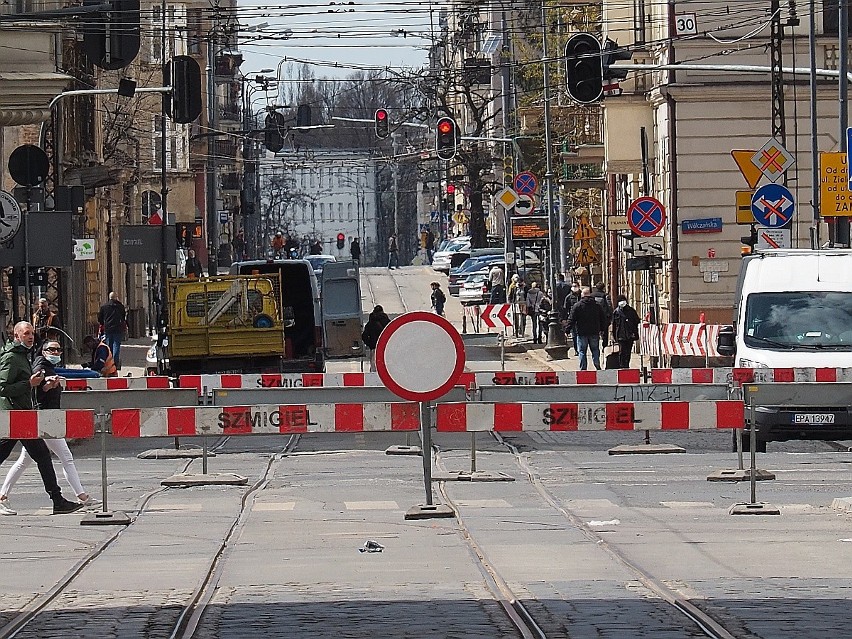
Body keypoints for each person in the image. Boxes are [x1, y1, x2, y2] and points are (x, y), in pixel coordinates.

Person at [0, 340, 96, 510]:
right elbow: (9, 388)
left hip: (30, 417)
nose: (56, 352)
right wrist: (41, 385)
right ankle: (78, 496)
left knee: (27, 460)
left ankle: (5, 495)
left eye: (58, 349)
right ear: (43, 351)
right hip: (39, 419)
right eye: (51, 349)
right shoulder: (29, 363)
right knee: (64, 456)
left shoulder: (28, 360)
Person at [567, 286, 608, 370]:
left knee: (582, 351)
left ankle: (583, 368)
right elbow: (603, 318)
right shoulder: (597, 305)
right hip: (594, 332)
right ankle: (597, 364)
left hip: (582, 332)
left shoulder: (577, 306)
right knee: (595, 350)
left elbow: (572, 318)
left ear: (582, 295)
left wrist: (567, 329)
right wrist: (603, 329)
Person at [97, 292, 126, 370]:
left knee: (109, 346)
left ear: (109, 298)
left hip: (108, 328)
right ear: (116, 297)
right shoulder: (120, 306)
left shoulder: (104, 307)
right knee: (116, 345)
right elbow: (123, 317)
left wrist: (103, 324)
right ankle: (115, 363)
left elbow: (100, 318)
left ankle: (109, 361)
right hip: (118, 328)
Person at [611, 294, 641, 369]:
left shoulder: (631, 311)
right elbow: (614, 325)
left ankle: (626, 365)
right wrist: (614, 336)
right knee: (622, 352)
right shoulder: (616, 312)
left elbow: (636, 321)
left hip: (629, 335)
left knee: (628, 352)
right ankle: (622, 366)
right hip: (620, 335)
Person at [361, 305, 390, 371]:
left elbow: (364, 336)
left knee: (374, 366)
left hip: (374, 348)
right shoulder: (387, 322)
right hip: (386, 348)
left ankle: (374, 379)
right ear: (382, 312)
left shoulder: (371, 323)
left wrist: (370, 344)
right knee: (386, 367)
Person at [591, 281, 614, 348]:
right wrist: (611, 316)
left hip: (594, 317)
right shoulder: (606, 296)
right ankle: (604, 345)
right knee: (605, 332)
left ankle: (595, 345)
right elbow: (609, 306)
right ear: (603, 288)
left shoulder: (592, 295)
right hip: (604, 317)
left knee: (595, 332)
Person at [563, 282, 582, 354]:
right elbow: (565, 308)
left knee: (581, 334)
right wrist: (565, 319)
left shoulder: (582, 295)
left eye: (576, 286)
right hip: (572, 317)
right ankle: (576, 349)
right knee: (574, 335)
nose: (574, 287)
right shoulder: (568, 297)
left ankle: (581, 348)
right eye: (573, 286)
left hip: (581, 318)